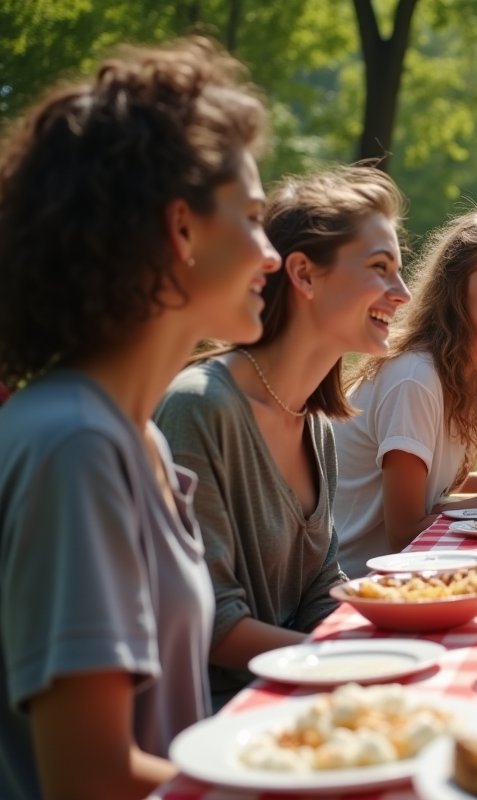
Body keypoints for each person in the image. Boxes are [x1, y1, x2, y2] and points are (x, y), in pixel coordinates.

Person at [0, 40, 277, 799]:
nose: (273, 254)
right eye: (252, 219)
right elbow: (91, 779)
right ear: (180, 229)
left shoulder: (135, 436)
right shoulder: (77, 446)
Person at [154, 166, 410, 707]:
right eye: (380, 268)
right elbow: (215, 625)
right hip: (226, 723)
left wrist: (390, 637)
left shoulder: (316, 421)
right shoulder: (199, 407)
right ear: (304, 274)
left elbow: (321, 587)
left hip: (304, 696)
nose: (404, 293)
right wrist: (349, 669)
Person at [333, 209, 477, 577]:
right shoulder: (415, 377)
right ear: (457, 290)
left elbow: (434, 487)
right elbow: (404, 531)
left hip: (419, 569)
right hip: (366, 583)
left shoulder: (463, 375)